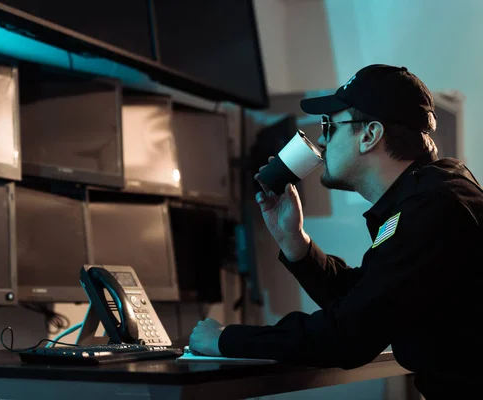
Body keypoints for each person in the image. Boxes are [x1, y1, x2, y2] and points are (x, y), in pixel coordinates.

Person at [188, 64, 483, 399]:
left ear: (370, 135)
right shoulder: (428, 197)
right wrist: (295, 242)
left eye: (329, 126)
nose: (322, 142)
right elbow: (366, 299)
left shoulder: (434, 207)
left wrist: (226, 339)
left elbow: (347, 335)